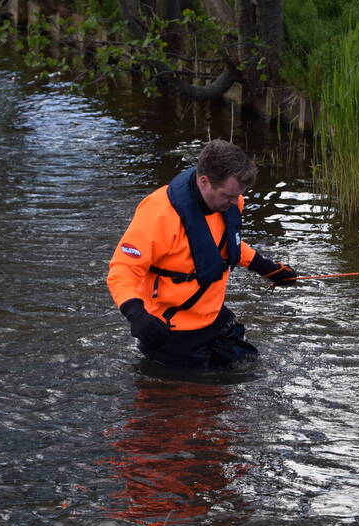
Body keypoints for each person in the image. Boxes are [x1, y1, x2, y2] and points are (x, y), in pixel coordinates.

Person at [107, 139, 297, 368]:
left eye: (238, 195)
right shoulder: (158, 214)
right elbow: (123, 268)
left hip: (213, 319)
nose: (234, 201)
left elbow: (222, 241)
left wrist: (264, 266)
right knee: (188, 398)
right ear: (204, 182)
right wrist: (136, 314)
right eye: (228, 195)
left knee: (247, 370)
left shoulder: (229, 201)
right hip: (169, 331)